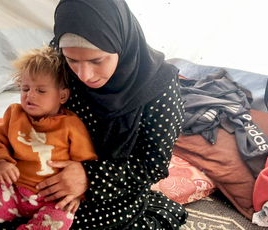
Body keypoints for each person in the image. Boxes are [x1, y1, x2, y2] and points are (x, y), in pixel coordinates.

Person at [32, 0, 189, 229]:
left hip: (114, 191)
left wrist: (89, 177)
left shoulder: (158, 88)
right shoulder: (59, 66)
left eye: (97, 60)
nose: (84, 75)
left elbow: (153, 165)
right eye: (72, 60)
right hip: (56, 171)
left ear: (121, 43)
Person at [0, 46, 98, 230]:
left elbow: (86, 161)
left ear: (62, 95)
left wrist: (77, 194)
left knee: (60, 222)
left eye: (40, 91)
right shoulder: (15, 114)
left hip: (53, 200)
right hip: (13, 191)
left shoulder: (72, 125)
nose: (30, 95)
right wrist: (0, 162)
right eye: (25, 88)